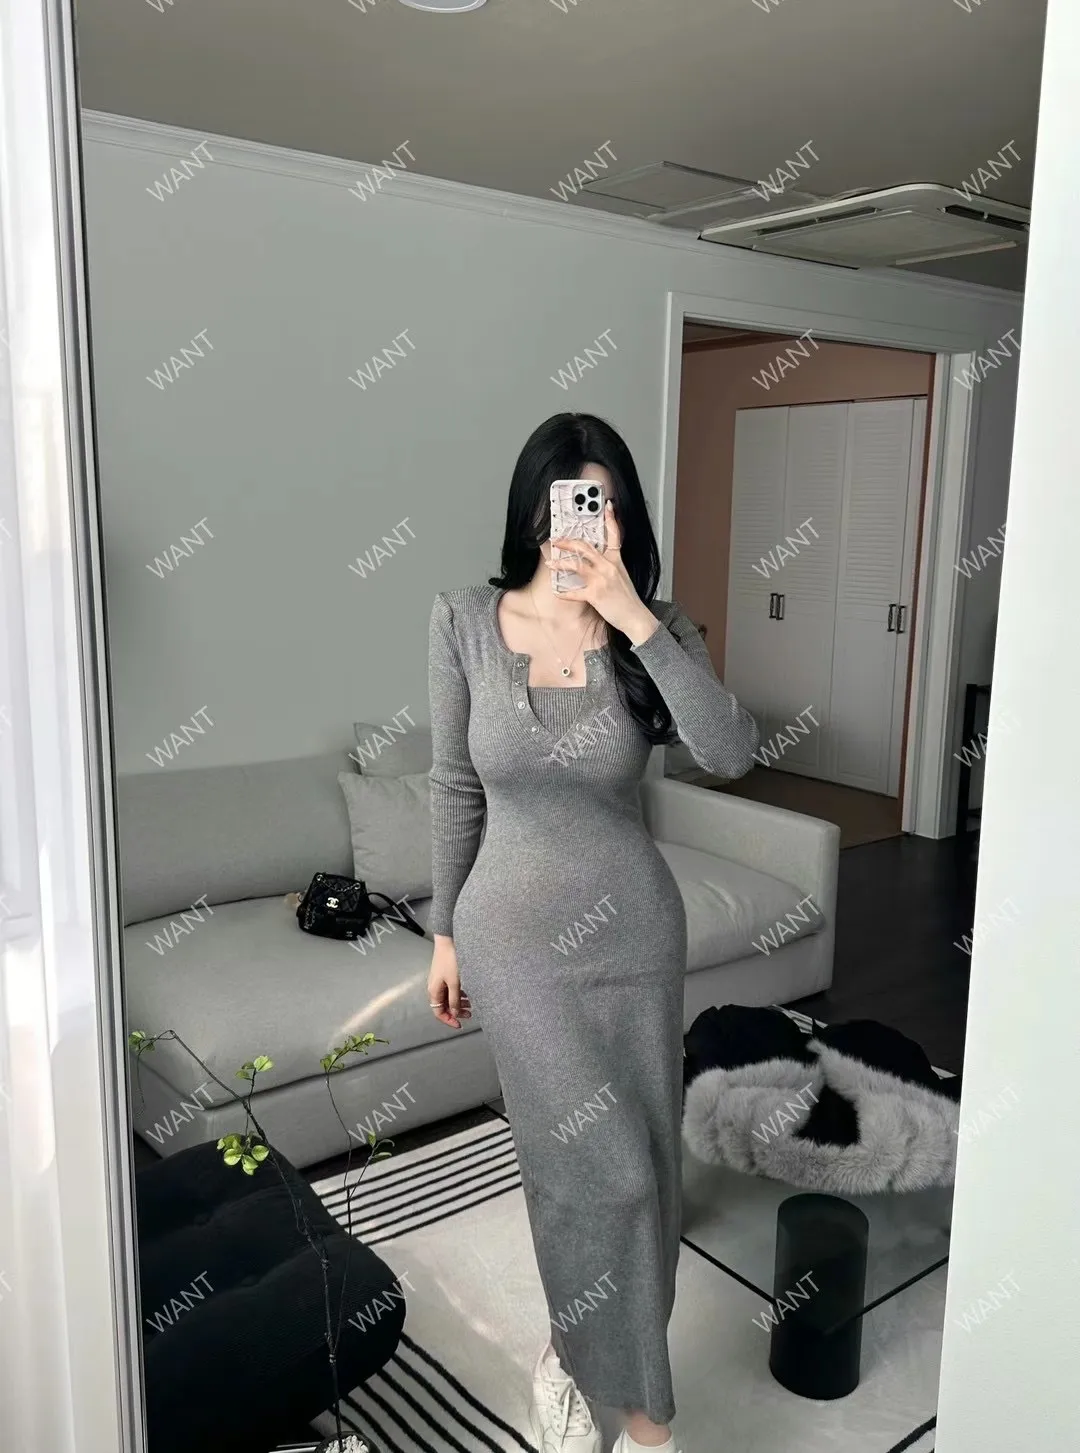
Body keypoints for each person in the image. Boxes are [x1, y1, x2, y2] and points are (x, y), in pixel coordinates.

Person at [426, 412, 759, 1453]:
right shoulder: (464, 620)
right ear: (530, 510)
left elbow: (732, 751)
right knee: (599, 1171)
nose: (579, 521)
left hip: (634, 939)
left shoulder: (657, 628)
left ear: (624, 517)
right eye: (565, 501)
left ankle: (586, 1363)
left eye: (601, 504)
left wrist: (632, 617)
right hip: (513, 945)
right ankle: (635, 1413)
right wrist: (444, 933)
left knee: (648, 1173)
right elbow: (452, 784)